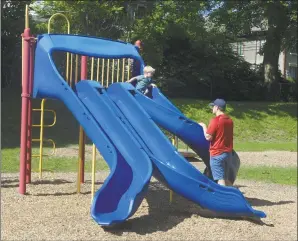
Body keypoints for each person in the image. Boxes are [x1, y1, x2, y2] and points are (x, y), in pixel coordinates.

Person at [199, 98, 234, 186]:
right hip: (228, 154)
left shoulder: (215, 120)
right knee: (225, 179)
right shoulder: (229, 120)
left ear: (217, 107)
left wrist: (203, 126)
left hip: (217, 154)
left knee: (220, 180)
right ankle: (233, 195)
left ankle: (223, 199)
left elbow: (208, 137)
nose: (212, 108)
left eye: (213, 106)